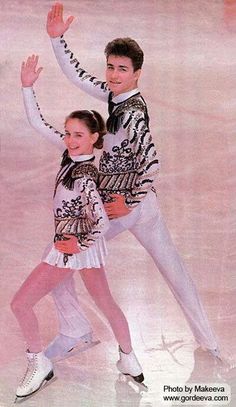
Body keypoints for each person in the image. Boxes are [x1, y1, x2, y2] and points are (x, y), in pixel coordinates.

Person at [40, 2, 220, 359]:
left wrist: (130, 201)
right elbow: (78, 75)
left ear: (137, 73)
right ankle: (210, 343)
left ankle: (76, 328)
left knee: (61, 252)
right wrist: (58, 40)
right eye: (110, 67)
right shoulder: (115, 96)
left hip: (127, 207)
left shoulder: (134, 113)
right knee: (175, 272)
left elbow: (152, 161)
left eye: (122, 69)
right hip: (137, 207)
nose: (113, 74)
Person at [11, 55, 144, 401]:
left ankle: (38, 363)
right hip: (81, 249)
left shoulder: (85, 177)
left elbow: (99, 221)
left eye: (78, 136)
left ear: (95, 138)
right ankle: (129, 358)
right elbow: (39, 123)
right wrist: (28, 88)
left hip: (71, 249)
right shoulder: (70, 157)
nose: (70, 140)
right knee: (105, 300)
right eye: (68, 134)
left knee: (20, 304)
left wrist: (75, 242)